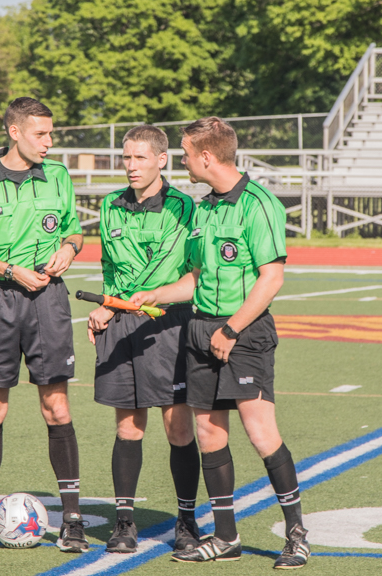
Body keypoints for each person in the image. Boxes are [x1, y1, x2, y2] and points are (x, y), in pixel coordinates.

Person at [130, 117, 309, 568]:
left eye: (187, 154)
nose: (184, 162)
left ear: (206, 157)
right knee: (209, 433)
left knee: (261, 433)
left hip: (243, 332)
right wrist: (156, 294)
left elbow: (272, 277)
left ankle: (296, 534)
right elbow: (196, 277)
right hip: (199, 329)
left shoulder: (259, 203)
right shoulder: (203, 207)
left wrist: (230, 330)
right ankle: (226, 536)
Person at [0, 97, 89, 553]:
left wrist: (70, 248)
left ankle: (74, 520)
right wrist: (9, 270)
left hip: (49, 300)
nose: (49, 142)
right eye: (41, 134)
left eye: (51, 134)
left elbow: (75, 229)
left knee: (57, 408)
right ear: (14, 132)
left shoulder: (59, 176)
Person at [86, 125, 200, 554]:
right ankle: (124, 522)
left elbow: (191, 272)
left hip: (169, 325)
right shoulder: (111, 206)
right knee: (128, 427)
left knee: (178, 428)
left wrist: (141, 300)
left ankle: (186, 522)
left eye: (139, 158)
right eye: (126, 158)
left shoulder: (184, 207)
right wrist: (107, 307)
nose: (131, 166)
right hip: (121, 326)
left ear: (161, 159)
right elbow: (111, 272)